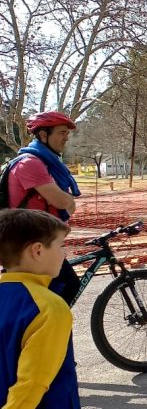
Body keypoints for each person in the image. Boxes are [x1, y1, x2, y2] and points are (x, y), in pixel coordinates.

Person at [0, 209, 79, 408]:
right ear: (37, 250)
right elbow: (32, 384)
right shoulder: (50, 308)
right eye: (61, 245)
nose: (64, 253)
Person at [4, 111, 81, 305]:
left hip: (40, 239)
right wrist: (68, 201)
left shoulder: (46, 163)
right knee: (64, 289)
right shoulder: (30, 163)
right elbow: (61, 200)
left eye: (67, 133)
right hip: (29, 244)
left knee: (56, 292)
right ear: (43, 135)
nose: (66, 137)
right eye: (61, 132)